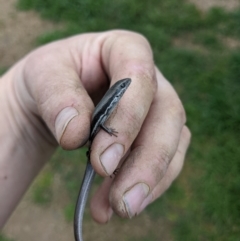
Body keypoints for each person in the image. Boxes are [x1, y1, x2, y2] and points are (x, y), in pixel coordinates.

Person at [0, 30, 191, 228]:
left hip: (90, 140)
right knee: (103, 155)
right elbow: (100, 122)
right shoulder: (112, 101)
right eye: (123, 86)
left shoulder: (113, 100)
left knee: (103, 157)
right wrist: (109, 131)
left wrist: (19, 103)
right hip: (94, 138)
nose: (126, 86)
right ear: (118, 93)